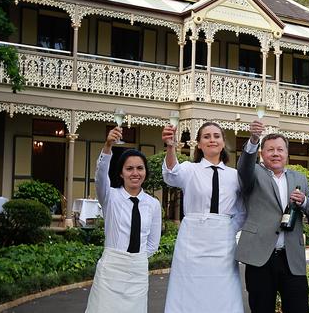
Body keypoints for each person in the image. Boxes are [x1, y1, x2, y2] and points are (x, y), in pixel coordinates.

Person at [237, 120, 309, 313]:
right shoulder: (253, 173)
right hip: (260, 258)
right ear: (262, 153)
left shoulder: (299, 178)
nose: (275, 153)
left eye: (280, 149)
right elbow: (244, 166)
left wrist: (304, 202)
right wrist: (253, 140)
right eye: (270, 150)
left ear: (287, 153)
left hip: (292, 258)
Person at [162, 121, 246, 313]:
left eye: (216, 136)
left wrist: (226, 228)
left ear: (224, 142)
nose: (212, 140)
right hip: (193, 239)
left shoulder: (235, 176)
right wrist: (170, 147)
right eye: (206, 137)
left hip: (223, 242)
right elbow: (171, 174)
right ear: (198, 144)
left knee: (223, 290)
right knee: (189, 287)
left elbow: (242, 211)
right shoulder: (189, 170)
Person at [86, 127, 162, 313]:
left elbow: (153, 243)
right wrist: (108, 146)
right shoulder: (110, 197)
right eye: (129, 169)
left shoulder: (152, 204)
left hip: (138, 271)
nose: (135, 173)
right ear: (121, 173)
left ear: (145, 172)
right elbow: (100, 176)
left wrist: (136, 259)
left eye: (139, 168)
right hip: (112, 267)